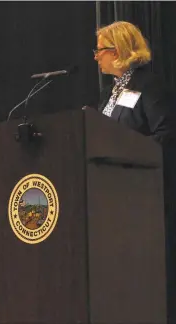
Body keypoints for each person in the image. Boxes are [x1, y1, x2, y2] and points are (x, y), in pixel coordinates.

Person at [94, 21, 176, 324]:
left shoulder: (149, 85)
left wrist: (126, 157)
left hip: (143, 196)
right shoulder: (110, 93)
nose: (96, 56)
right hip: (109, 195)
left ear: (117, 52)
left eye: (99, 50)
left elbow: (165, 135)